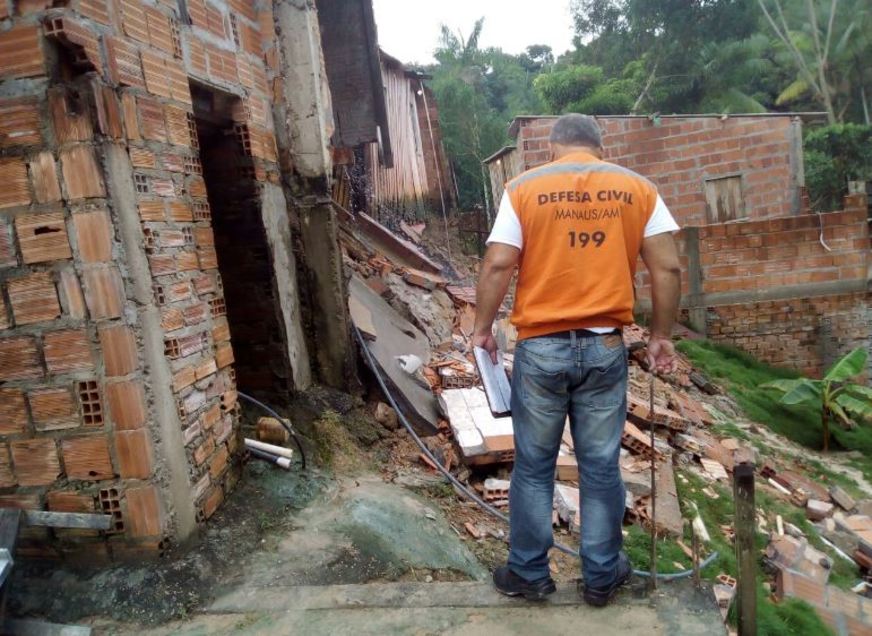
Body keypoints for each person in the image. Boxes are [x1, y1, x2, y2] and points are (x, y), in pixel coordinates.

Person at [473, 113, 682, 607]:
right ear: (599, 149)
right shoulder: (638, 189)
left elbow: (499, 262)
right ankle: (602, 576)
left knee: (534, 466)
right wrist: (661, 336)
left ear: (553, 150)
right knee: (601, 465)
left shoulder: (523, 188)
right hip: (605, 347)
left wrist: (481, 329)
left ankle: (527, 572)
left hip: (541, 348)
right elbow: (668, 265)